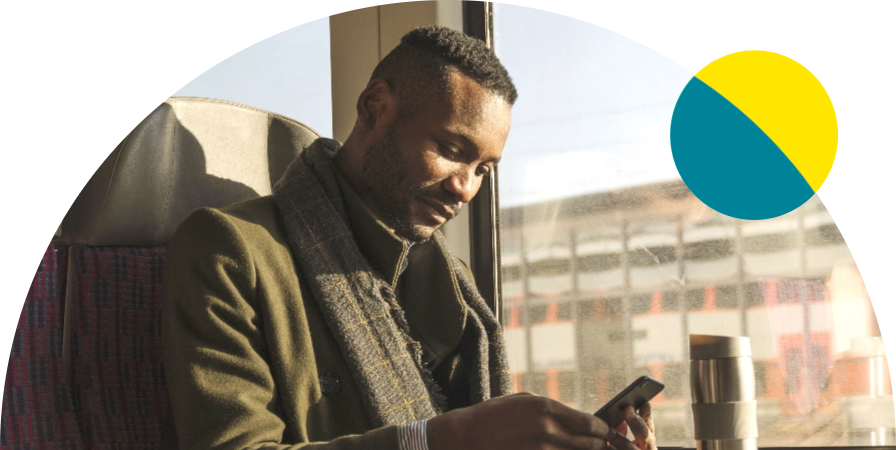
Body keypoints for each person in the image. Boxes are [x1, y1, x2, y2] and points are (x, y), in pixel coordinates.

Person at [161, 26, 655, 450]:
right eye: (451, 149)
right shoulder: (229, 249)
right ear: (375, 108)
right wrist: (447, 438)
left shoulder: (453, 282)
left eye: (482, 169)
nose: (466, 188)